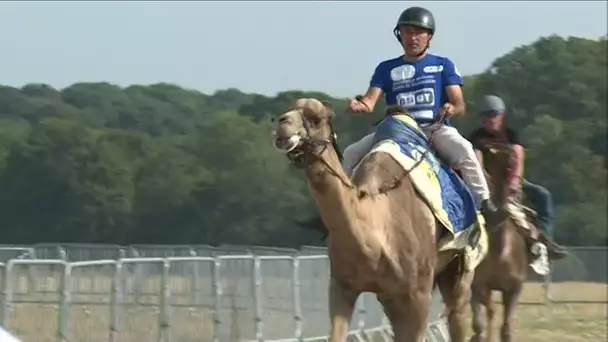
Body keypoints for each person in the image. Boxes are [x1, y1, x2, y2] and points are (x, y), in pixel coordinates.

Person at [342, 6, 502, 225]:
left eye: (418, 32)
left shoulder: (443, 65)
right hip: (395, 132)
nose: (412, 37)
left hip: (432, 130)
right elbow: (369, 102)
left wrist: (451, 109)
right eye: (407, 32)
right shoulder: (386, 68)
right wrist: (358, 106)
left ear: (430, 37)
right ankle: (340, 207)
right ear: (400, 36)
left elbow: (459, 104)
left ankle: (484, 203)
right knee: (351, 153)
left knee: (465, 150)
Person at [468, 94, 568, 266]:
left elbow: (518, 158)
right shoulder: (476, 138)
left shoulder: (511, 135)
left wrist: (515, 181)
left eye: (493, 115)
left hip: (511, 181)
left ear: (501, 116)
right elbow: (477, 162)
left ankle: (545, 240)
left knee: (543, 195)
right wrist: (486, 185)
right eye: (486, 116)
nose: (490, 120)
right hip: (486, 183)